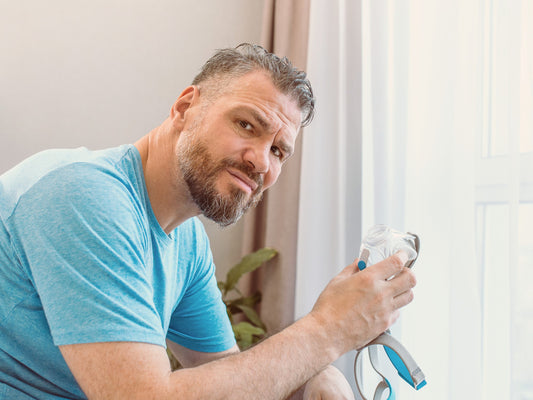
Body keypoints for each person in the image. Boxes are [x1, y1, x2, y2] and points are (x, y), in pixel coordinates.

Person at [0, 43, 416, 400]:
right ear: (185, 107)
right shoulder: (85, 196)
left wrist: (315, 373)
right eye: (246, 124)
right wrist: (327, 332)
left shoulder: (185, 240)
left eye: (278, 151)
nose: (260, 161)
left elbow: (228, 376)